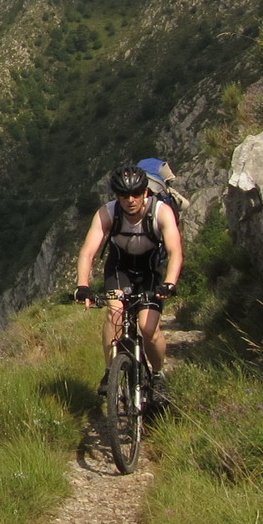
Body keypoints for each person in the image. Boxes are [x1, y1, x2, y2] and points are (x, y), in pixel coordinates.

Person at [74, 162, 183, 402]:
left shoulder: (161, 211)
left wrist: (169, 283)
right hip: (119, 268)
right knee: (114, 314)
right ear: (117, 196)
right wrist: (83, 286)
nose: (130, 200)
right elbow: (87, 252)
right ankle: (109, 370)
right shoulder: (107, 213)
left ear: (146, 192)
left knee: (147, 327)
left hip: (150, 271)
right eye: (123, 195)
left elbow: (175, 252)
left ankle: (157, 374)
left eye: (136, 194)